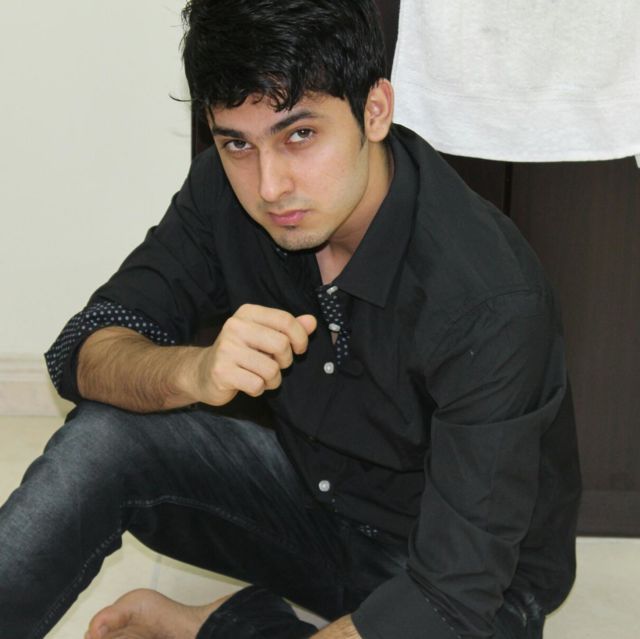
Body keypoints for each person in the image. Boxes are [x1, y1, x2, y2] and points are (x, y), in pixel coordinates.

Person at [0, 1, 581, 638]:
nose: (270, 186)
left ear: (375, 110)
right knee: (105, 438)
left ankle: (223, 625)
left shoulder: (488, 297)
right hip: (314, 504)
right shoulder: (226, 193)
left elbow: (452, 599)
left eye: (299, 135)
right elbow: (83, 349)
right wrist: (194, 372)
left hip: (464, 579)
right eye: (237, 143)